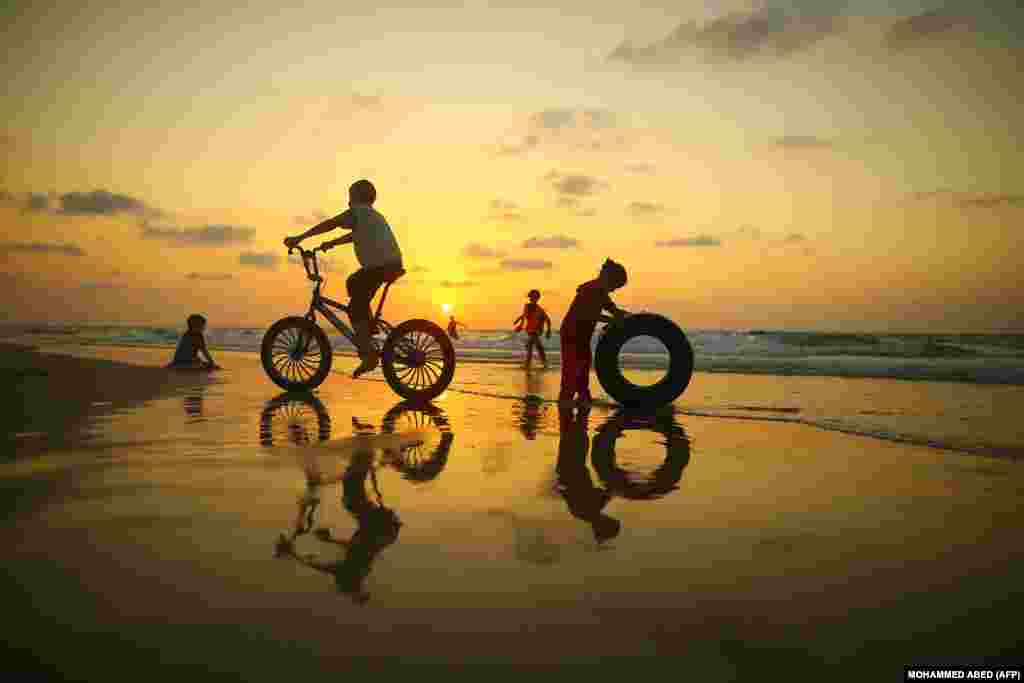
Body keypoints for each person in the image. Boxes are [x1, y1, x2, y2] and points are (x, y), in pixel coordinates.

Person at [284, 179, 404, 378]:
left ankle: (368, 352)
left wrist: (300, 238)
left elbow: (331, 223)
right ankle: (367, 329)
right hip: (389, 264)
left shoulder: (359, 212)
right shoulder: (371, 216)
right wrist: (331, 243)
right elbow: (355, 236)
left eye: (350, 196)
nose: (348, 201)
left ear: (356, 197)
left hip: (380, 267)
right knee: (354, 283)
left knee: (356, 301)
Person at [559, 259, 629, 404]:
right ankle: (566, 401)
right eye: (615, 286)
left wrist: (629, 317)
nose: (615, 289)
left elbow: (614, 311)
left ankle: (583, 398)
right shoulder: (591, 289)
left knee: (583, 366)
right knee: (573, 369)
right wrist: (613, 321)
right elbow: (589, 314)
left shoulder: (601, 292)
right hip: (572, 334)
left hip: (582, 336)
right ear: (608, 278)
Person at [555, 402, 620, 544]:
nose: (608, 516)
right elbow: (607, 493)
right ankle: (573, 403)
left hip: (572, 466)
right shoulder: (584, 512)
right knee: (572, 431)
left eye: (608, 520)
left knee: (577, 431)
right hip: (567, 467)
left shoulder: (590, 509)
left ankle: (574, 402)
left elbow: (608, 492)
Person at [513, 289, 552, 368]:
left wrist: (548, 331)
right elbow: (525, 315)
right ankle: (542, 363)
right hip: (530, 330)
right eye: (531, 297)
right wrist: (520, 323)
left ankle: (529, 364)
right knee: (537, 346)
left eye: (534, 297)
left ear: (537, 298)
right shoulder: (527, 306)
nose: (531, 299)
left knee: (533, 346)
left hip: (536, 330)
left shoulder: (540, 310)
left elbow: (548, 320)